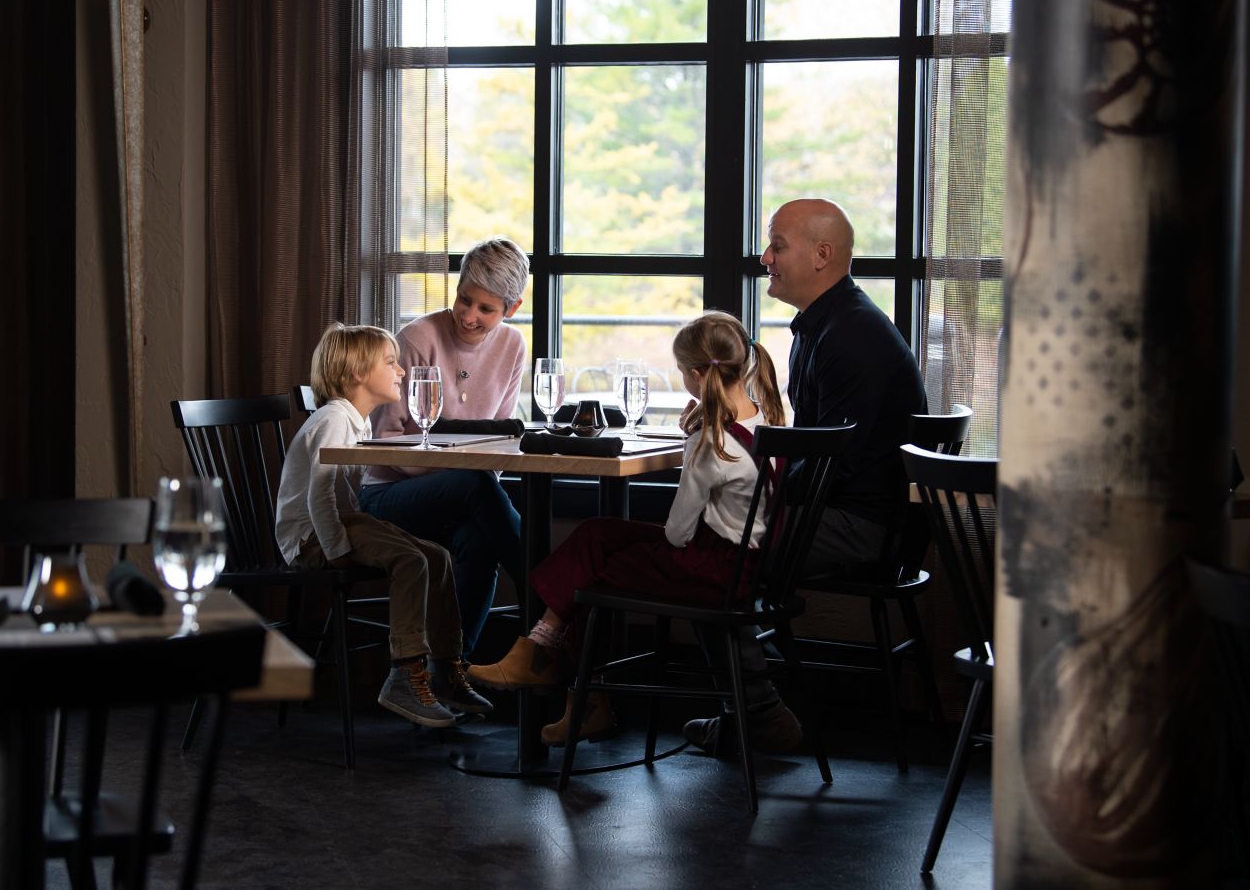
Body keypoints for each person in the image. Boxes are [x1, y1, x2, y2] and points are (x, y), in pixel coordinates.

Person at [466, 311, 805, 749]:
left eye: (683, 373)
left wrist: (692, 441)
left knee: (596, 569)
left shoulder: (710, 440)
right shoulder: (764, 418)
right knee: (597, 535)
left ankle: (567, 677)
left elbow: (678, 533)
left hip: (710, 569)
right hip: (745, 565)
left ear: (699, 375)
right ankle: (545, 656)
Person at [682, 197, 928, 754]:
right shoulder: (834, 323)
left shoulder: (850, 336)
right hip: (857, 511)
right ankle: (753, 706)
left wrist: (748, 494)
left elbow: (828, 462)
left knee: (710, 548)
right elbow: (816, 455)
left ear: (822, 255)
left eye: (778, 245)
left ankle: (758, 712)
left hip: (864, 523)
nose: (764, 256)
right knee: (719, 529)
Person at [275, 323, 493, 728]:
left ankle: (445, 667)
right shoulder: (334, 419)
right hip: (312, 538)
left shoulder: (357, 420)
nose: (402, 371)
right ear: (357, 373)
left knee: (439, 557)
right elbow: (317, 495)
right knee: (411, 560)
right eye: (391, 362)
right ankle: (405, 674)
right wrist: (338, 549)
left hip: (341, 524)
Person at [360, 238, 528, 656]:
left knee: (480, 536)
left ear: (511, 309)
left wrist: (464, 477)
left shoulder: (512, 347)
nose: (469, 316)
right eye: (464, 299)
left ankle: (451, 670)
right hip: (387, 495)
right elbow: (386, 442)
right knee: (474, 486)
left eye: (485, 309)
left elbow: (499, 439)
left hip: (465, 497)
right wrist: (457, 475)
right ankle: (544, 593)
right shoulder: (417, 338)